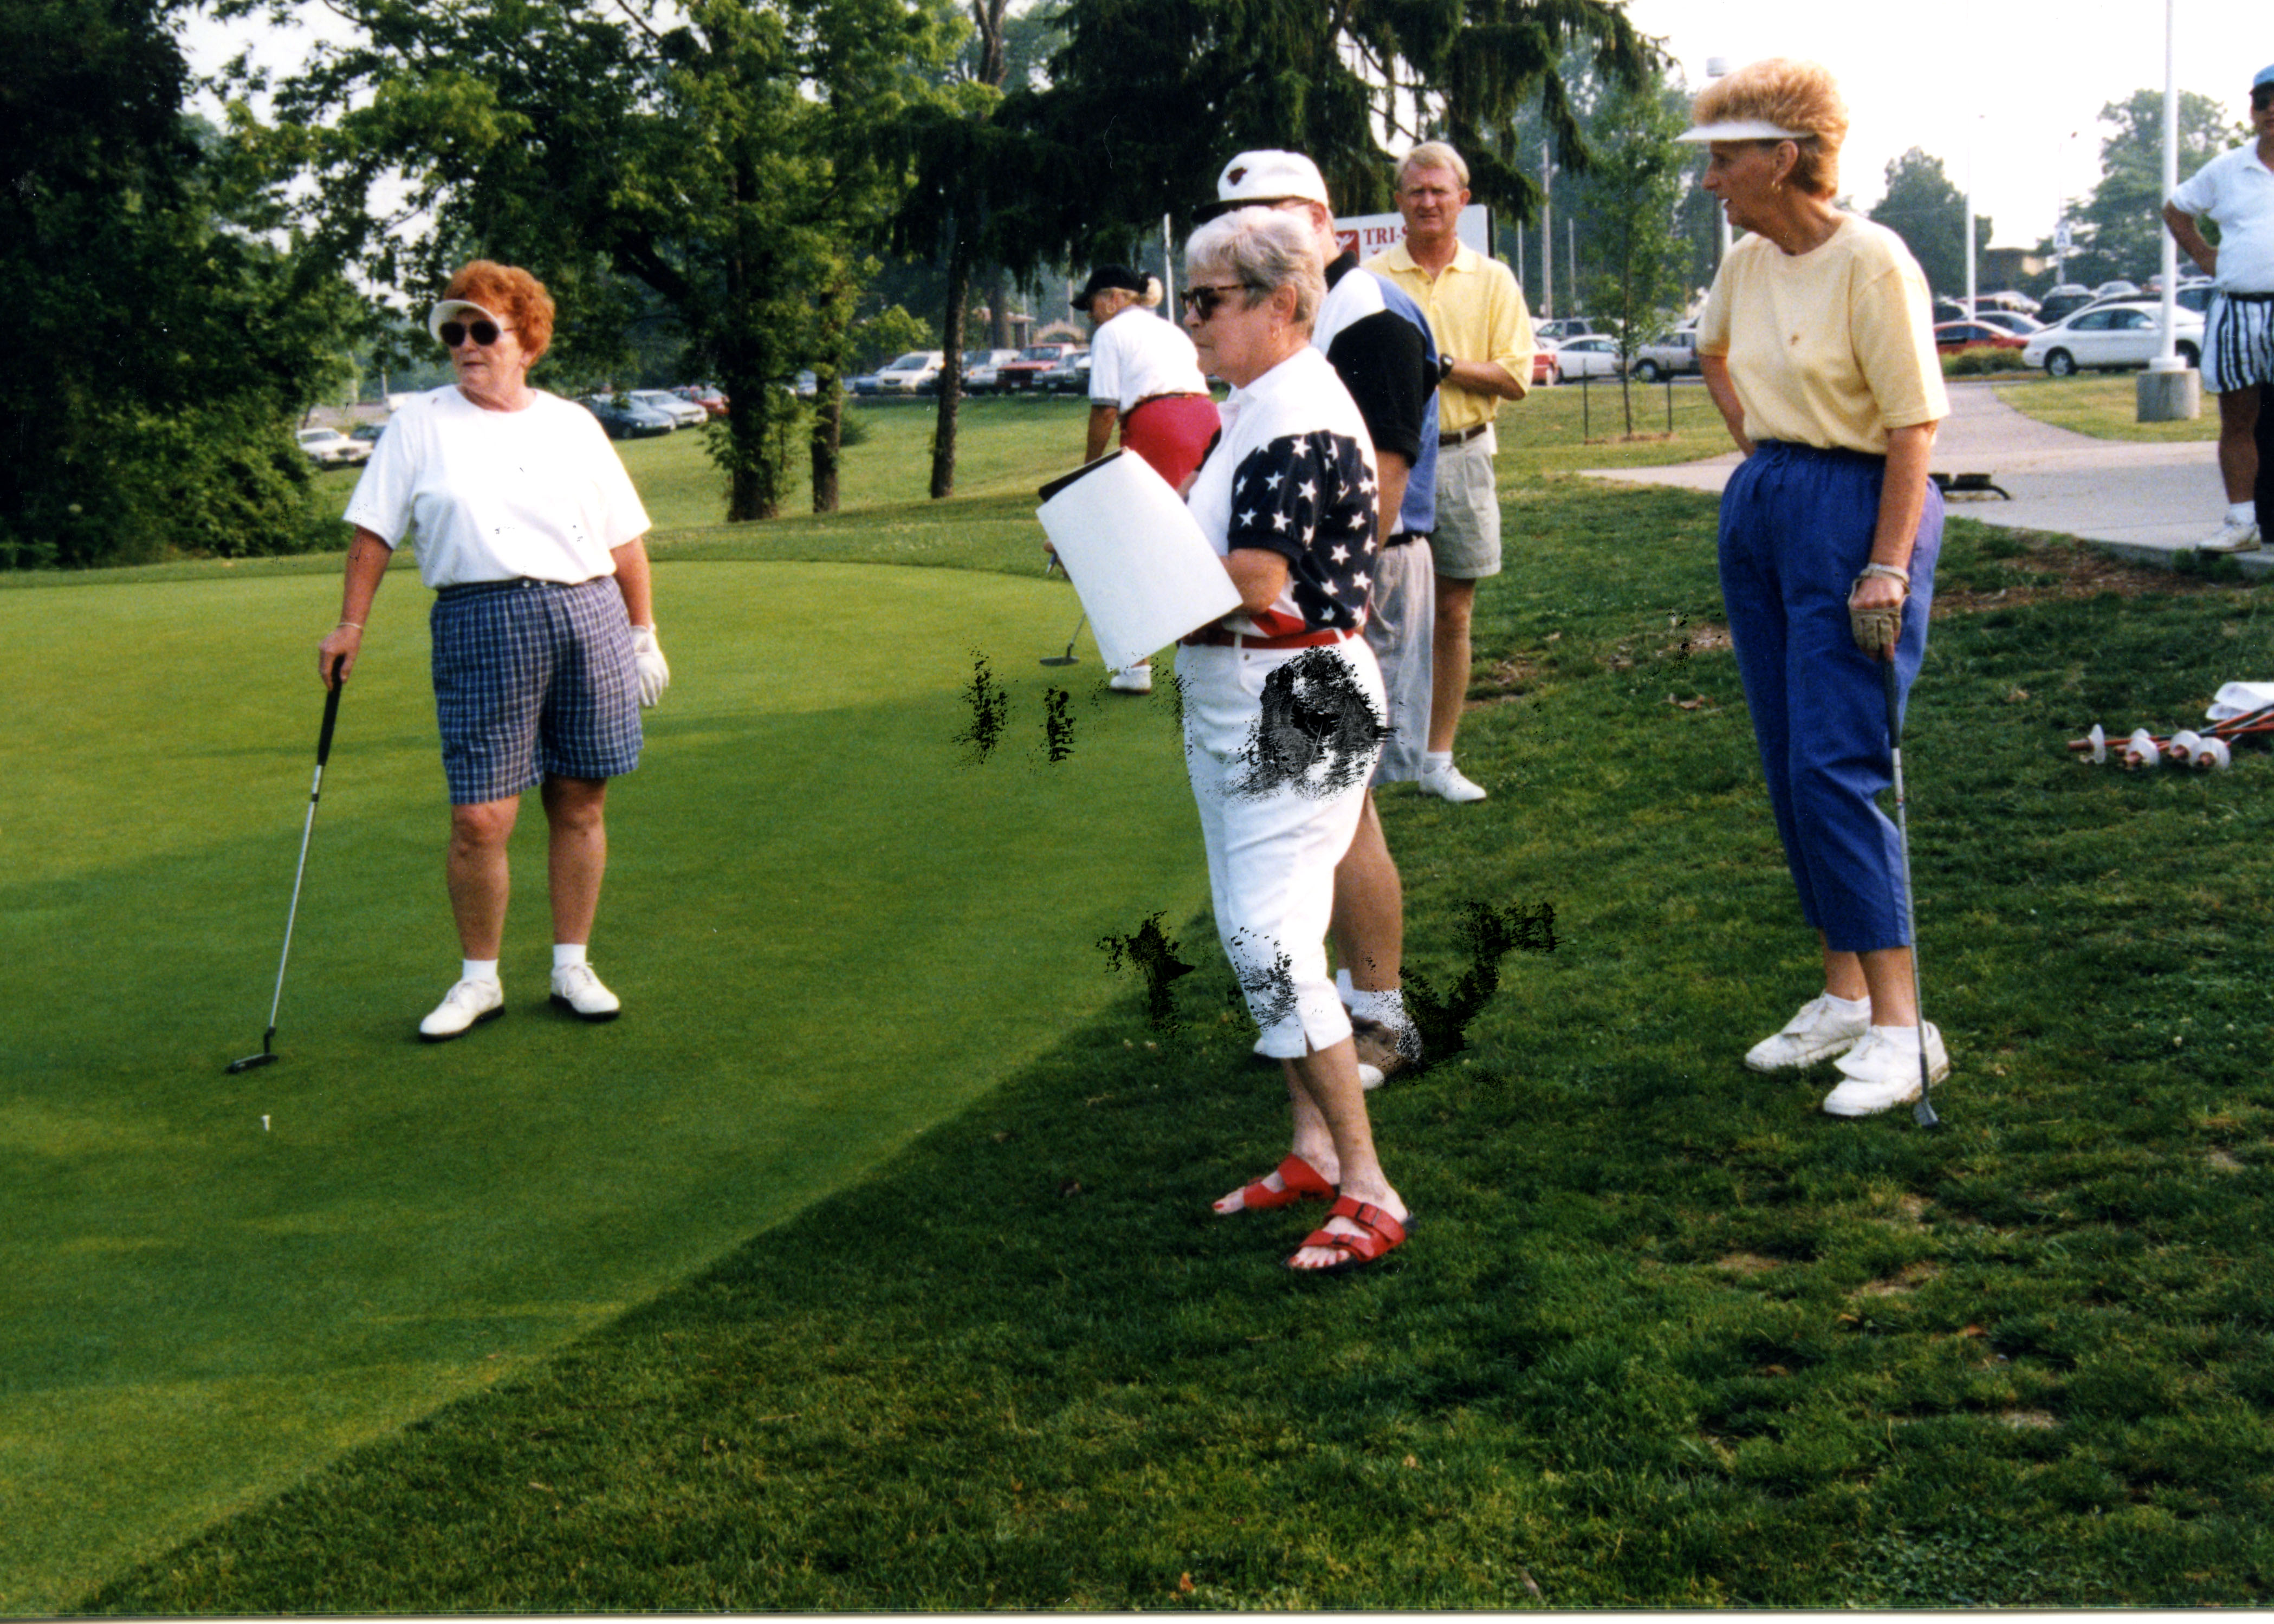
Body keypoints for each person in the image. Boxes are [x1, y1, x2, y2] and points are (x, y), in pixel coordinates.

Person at [1685, 59, 1952, 1118]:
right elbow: (1712, 353)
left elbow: (1912, 427)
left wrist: (1885, 563)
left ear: (1784, 157)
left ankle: (1903, 1026)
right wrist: (1767, 457)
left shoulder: (1871, 260)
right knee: (1789, 756)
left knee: (1834, 762)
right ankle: (1844, 998)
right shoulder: (1748, 263)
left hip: (1858, 508)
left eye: (1725, 158)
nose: (1711, 180)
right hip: (1771, 499)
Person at [318, 261, 671, 1042]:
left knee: (580, 799)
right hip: (479, 617)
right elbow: (373, 531)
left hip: (588, 612)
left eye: (483, 330)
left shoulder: (572, 423)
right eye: (454, 332)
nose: (466, 345)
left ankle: (571, 966)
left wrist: (643, 631)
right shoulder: (420, 424)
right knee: (480, 816)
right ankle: (479, 979)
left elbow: (624, 537)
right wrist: (351, 625)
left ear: (527, 342)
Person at [1174, 206, 1411, 1271]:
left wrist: (1132, 575)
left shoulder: (1296, 415)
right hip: (1251, 687)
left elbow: (1255, 577)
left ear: (1282, 303)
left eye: (1208, 300)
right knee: (1261, 930)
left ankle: (1368, 1185)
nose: (1191, 320)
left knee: (1267, 939)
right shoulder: (1259, 403)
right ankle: (1314, 1150)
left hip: (1298, 690)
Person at [1210, 149, 1439, 1088]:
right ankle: (1337, 1009)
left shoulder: (1368, 313)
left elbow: (1384, 474)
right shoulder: (1300, 312)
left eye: (1268, 216)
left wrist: (1333, 592)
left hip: (1351, 583)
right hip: (1317, 590)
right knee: (1334, 815)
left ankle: (1378, 1012)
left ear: (1319, 220)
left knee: (1348, 810)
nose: (1248, 236)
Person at [1366, 140, 1534, 804]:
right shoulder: (1371, 279)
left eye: (1440, 191)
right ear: (1399, 201)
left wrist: (1438, 366)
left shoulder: (1493, 279)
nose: (1428, 202)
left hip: (1463, 456)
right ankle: (1369, 759)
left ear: (1463, 200)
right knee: (1376, 608)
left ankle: (1437, 759)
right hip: (1388, 459)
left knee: (1453, 612)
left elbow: (1515, 376)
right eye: (1416, 191)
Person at [1073, 264, 1220, 694]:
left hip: (1159, 424)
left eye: (1092, 304)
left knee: (1130, 542)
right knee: (1192, 536)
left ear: (1113, 299)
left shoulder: (1110, 333)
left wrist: (1087, 471)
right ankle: (1204, 653)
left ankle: (1136, 665)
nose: (1090, 315)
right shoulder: (1169, 330)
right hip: (1205, 419)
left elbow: (1105, 408)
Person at [2161, 61, 2274, 554]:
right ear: (2252, 111)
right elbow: (2176, 210)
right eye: (2263, 101)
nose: (2271, 111)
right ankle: (2242, 522)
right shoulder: (2227, 168)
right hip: (2237, 310)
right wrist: (2206, 256)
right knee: (2238, 420)